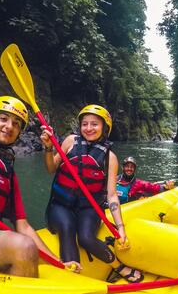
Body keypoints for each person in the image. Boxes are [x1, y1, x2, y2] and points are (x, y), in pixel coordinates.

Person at [0, 96, 74, 294]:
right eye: (3, 119)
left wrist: (58, 262)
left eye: (16, 124)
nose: (9, 127)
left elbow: (23, 226)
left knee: (24, 246)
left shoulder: (7, 170)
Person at [40, 104, 143, 283]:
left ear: (104, 127)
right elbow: (50, 168)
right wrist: (49, 148)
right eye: (85, 124)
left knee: (86, 238)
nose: (88, 128)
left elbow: (111, 195)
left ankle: (119, 266)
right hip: (61, 205)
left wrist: (120, 228)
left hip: (89, 208)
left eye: (94, 124)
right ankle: (73, 277)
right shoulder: (70, 141)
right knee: (67, 227)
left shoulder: (110, 158)